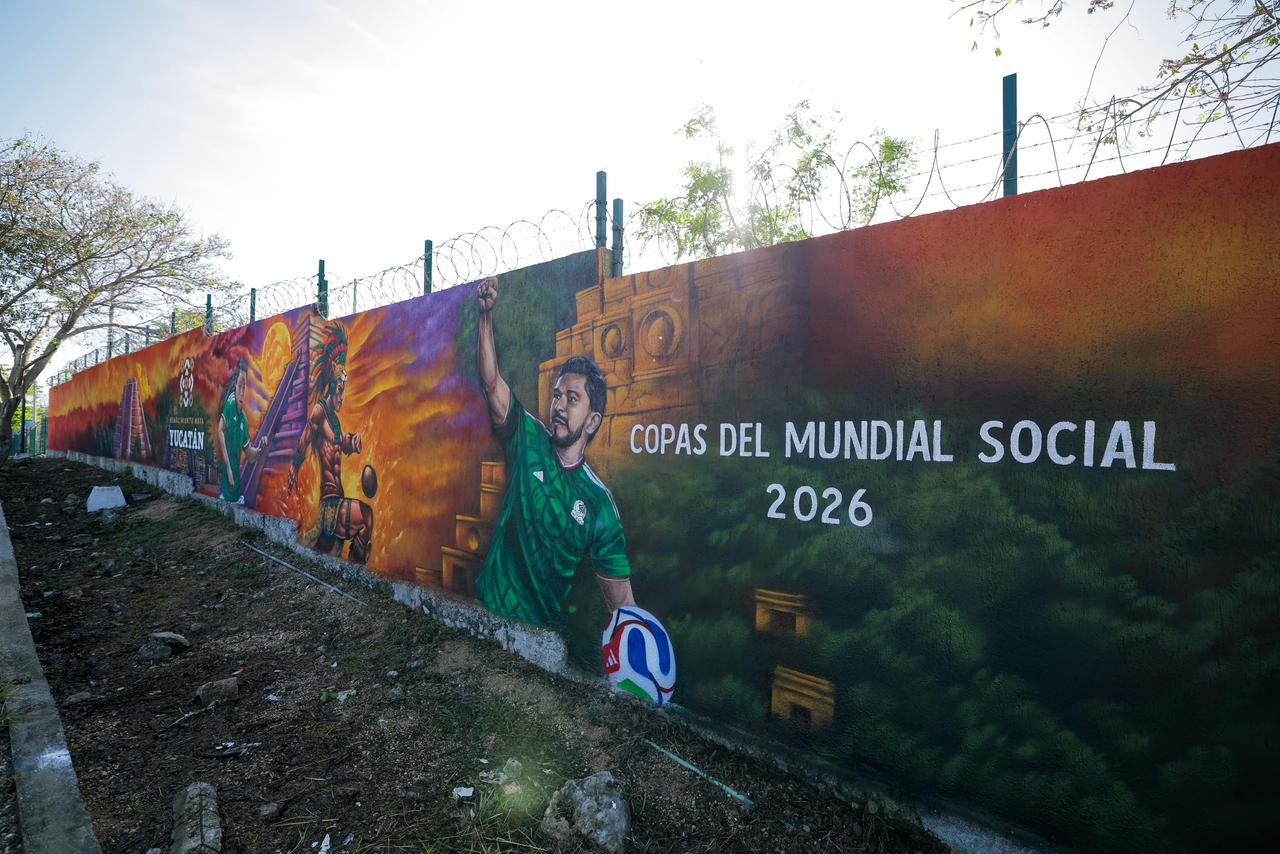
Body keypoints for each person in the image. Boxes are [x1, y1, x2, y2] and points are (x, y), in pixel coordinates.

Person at [473, 275, 636, 627]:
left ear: (592, 422)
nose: (559, 405)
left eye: (572, 399)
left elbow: (622, 603)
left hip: (539, 639)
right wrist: (485, 316)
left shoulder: (599, 504)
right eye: (557, 395)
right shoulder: (528, 438)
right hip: (485, 612)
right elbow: (492, 382)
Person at [286, 324, 375, 563]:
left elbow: (339, 442)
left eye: (344, 390)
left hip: (337, 499)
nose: (342, 396)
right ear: (333, 384)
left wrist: (352, 442)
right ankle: (356, 570)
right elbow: (304, 439)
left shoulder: (334, 420)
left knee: (330, 548)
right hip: (330, 504)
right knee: (366, 517)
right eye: (340, 388)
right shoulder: (320, 411)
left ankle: (353, 566)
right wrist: (294, 467)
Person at [216, 357, 264, 504]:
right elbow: (220, 430)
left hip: (237, 491)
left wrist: (260, 448)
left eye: (245, 386)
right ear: (235, 385)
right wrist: (228, 469)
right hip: (227, 488)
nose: (242, 391)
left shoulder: (243, 419)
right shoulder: (230, 404)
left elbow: (250, 455)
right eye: (240, 386)